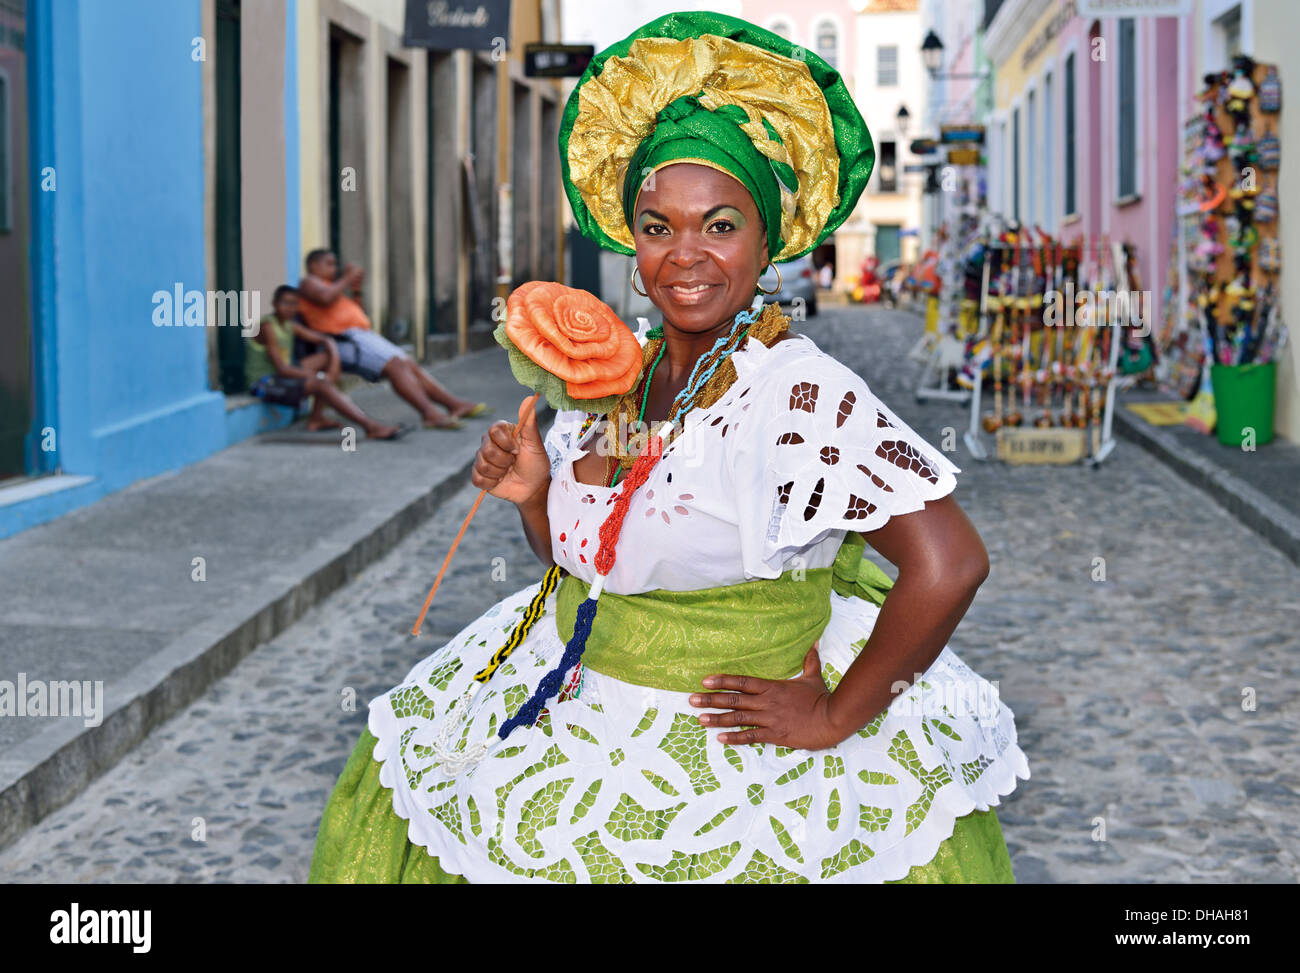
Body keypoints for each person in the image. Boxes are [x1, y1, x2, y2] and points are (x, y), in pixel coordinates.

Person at [308, 11, 1028, 884]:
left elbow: (950, 563)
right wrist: (538, 495)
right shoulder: (617, 380)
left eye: (720, 225)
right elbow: (597, 559)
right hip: (582, 719)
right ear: (631, 238)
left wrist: (835, 716)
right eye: (658, 227)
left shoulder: (797, 396)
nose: (685, 255)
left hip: (737, 771)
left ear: (768, 241)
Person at [295, 250, 489, 430]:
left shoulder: (331, 286)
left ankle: (453, 405)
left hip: (360, 336)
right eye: (329, 264)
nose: (334, 268)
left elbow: (353, 310)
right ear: (313, 266)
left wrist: (355, 291)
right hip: (345, 339)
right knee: (396, 366)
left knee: (408, 364)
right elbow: (324, 298)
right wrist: (346, 278)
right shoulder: (310, 283)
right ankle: (430, 414)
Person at [245, 285, 404, 441]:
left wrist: (332, 351)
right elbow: (281, 369)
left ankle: (317, 418)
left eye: (294, 304)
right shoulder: (267, 326)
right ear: (274, 304)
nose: (290, 308)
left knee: (325, 358)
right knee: (322, 383)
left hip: (281, 376)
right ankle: (371, 427)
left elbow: (324, 339)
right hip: (264, 383)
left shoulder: (289, 324)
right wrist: (319, 377)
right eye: (285, 303)